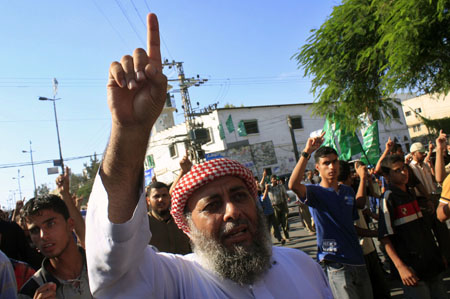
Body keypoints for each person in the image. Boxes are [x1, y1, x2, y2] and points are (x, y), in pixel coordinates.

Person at [85, 13, 333, 298]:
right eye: (212, 205)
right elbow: (116, 268)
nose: (233, 211)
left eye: (240, 196)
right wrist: (130, 131)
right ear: (188, 228)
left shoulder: (303, 266)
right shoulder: (176, 280)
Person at [288, 133, 373, 299]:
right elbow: (293, 184)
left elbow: (350, 226)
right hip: (335, 264)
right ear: (318, 168)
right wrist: (307, 151)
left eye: (334, 161)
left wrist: (378, 233)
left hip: (358, 259)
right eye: (326, 163)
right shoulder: (315, 193)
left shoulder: (347, 191)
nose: (332, 167)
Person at [378, 154, 447, 298]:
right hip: (412, 269)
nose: (404, 172)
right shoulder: (388, 198)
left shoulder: (411, 193)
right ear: (387, 175)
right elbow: (385, 237)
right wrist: (400, 267)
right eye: (397, 170)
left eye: (404, 168)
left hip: (431, 262)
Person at [18, 175, 92, 298]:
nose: (43, 236)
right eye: (35, 230)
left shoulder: (102, 265)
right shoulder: (30, 292)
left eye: (50, 224)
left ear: (70, 225)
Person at [146, 181, 191, 254]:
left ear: (170, 197)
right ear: (148, 200)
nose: (161, 199)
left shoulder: (181, 220)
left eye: (164, 195)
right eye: (156, 196)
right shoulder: (144, 224)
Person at [263, 175, 290, 242]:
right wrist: (266, 189)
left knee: (285, 221)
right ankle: (276, 233)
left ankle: (286, 236)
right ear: (271, 180)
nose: (275, 180)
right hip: (274, 207)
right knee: (276, 222)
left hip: (282, 205)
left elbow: (284, 193)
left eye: (275, 179)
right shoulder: (269, 187)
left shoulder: (280, 186)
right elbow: (264, 196)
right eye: (273, 179)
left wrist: (287, 198)